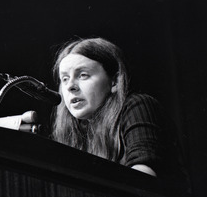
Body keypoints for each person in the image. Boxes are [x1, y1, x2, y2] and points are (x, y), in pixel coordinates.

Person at [51, 37, 189, 193]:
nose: (70, 87)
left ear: (115, 81)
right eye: (65, 79)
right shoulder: (77, 132)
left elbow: (142, 179)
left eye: (83, 75)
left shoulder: (137, 106)